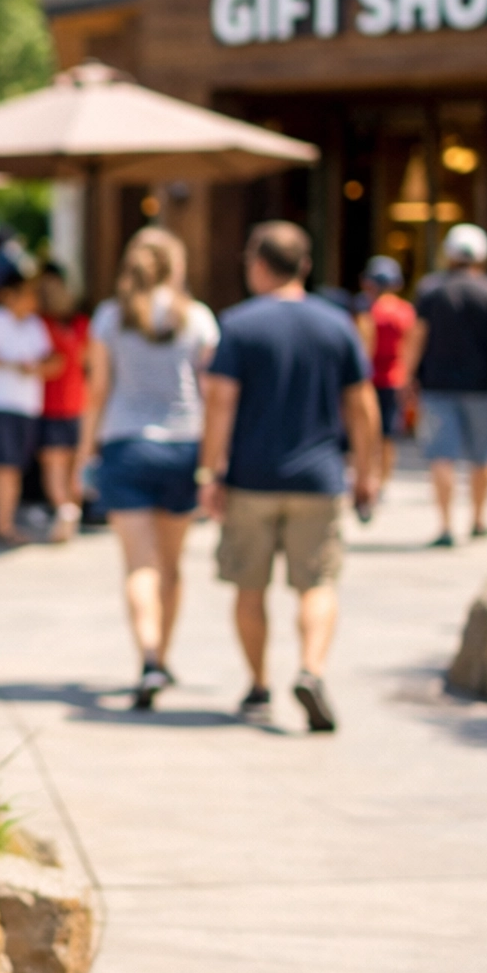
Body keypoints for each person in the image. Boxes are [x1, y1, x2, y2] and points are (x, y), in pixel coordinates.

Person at [199, 221, 380, 733]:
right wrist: (366, 473)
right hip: (320, 477)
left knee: (249, 587)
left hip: (251, 479)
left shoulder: (237, 325)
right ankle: (312, 669)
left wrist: (209, 471)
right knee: (317, 583)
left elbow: (219, 402)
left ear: (257, 264)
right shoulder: (337, 325)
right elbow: (362, 406)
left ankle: (257, 686)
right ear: (304, 265)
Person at [83, 229, 219, 707]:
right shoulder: (197, 317)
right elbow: (211, 390)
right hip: (184, 445)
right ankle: (164, 653)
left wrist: (85, 451)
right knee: (172, 566)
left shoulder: (109, 317)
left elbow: (98, 390)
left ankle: (148, 656)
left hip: (125, 445)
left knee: (139, 565)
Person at [401, 223, 487, 547]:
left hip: (437, 386)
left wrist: (404, 376)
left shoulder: (430, 289)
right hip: (482, 387)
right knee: (483, 456)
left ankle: (445, 526)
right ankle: (479, 519)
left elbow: (417, 336)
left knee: (441, 456)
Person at [0, 268, 60, 545]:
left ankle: (5, 520)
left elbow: (52, 361)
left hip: (25, 404)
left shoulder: (35, 325)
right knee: (4, 464)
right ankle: (3, 523)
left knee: (15, 465)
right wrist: (15, 365)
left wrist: (38, 367)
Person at [34, 262, 90, 541]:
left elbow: (47, 364)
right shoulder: (81, 324)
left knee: (54, 468)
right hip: (80, 401)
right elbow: (88, 361)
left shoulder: (40, 324)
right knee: (74, 468)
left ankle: (64, 511)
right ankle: (72, 513)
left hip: (52, 403)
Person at [355, 255, 416, 493]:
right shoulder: (405, 312)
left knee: (367, 429)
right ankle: (384, 479)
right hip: (395, 378)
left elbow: (364, 349)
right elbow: (410, 347)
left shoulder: (369, 312)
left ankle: (368, 474)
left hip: (369, 380)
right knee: (389, 434)